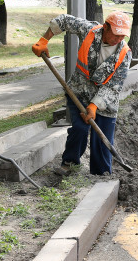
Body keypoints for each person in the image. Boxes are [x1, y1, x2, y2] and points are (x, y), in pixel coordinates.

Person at [32, 12, 132, 176]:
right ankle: (69, 164)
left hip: (105, 102)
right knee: (79, 129)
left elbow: (114, 86)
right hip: (79, 92)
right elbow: (64, 21)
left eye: (123, 35)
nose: (119, 39)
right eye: (116, 34)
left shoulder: (125, 53)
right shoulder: (90, 31)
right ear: (106, 27)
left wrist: (94, 105)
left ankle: (102, 176)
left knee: (102, 141)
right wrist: (44, 40)